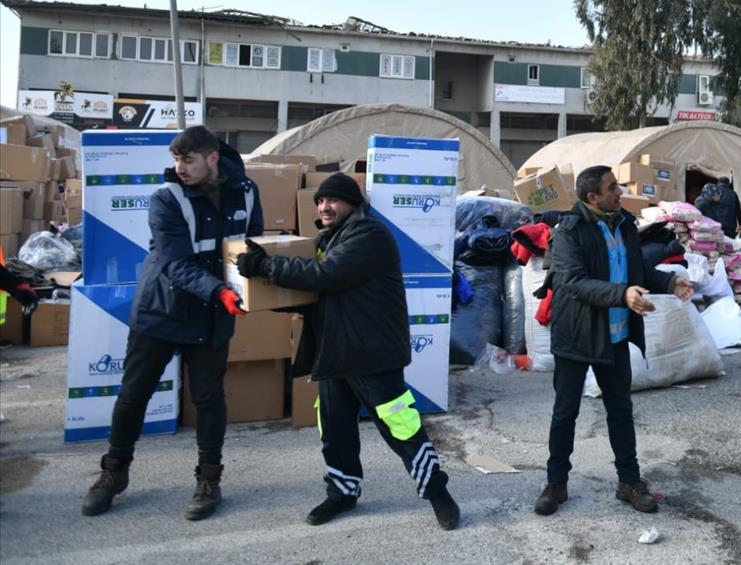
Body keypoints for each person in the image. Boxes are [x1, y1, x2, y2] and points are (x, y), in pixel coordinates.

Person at [234, 172, 461, 529]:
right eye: (320, 201)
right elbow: (316, 296)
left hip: (371, 353)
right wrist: (264, 296)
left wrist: (265, 266)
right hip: (334, 351)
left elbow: (328, 276)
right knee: (335, 430)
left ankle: (438, 494)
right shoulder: (329, 240)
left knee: (401, 427)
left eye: (333, 200)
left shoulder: (369, 235)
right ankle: (342, 492)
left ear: (352, 204)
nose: (324, 206)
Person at [81, 125, 262, 520]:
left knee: (209, 398)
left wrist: (259, 278)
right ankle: (113, 473)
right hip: (161, 311)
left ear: (212, 158)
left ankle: (209, 480)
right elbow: (176, 264)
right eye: (176, 159)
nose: (179, 167)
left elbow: (252, 244)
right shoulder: (166, 199)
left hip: (214, 314)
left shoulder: (247, 193)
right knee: (134, 395)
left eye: (188, 160)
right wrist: (220, 291)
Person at [533, 165, 695, 516]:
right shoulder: (569, 232)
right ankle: (555, 483)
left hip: (616, 335)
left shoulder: (623, 224)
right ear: (592, 197)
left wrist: (670, 283)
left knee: (620, 410)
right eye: (611, 188)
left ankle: (629, 482)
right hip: (577, 334)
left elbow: (636, 270)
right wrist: (622, 295)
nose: (620, 192)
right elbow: (573, 282)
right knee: (565, 412)